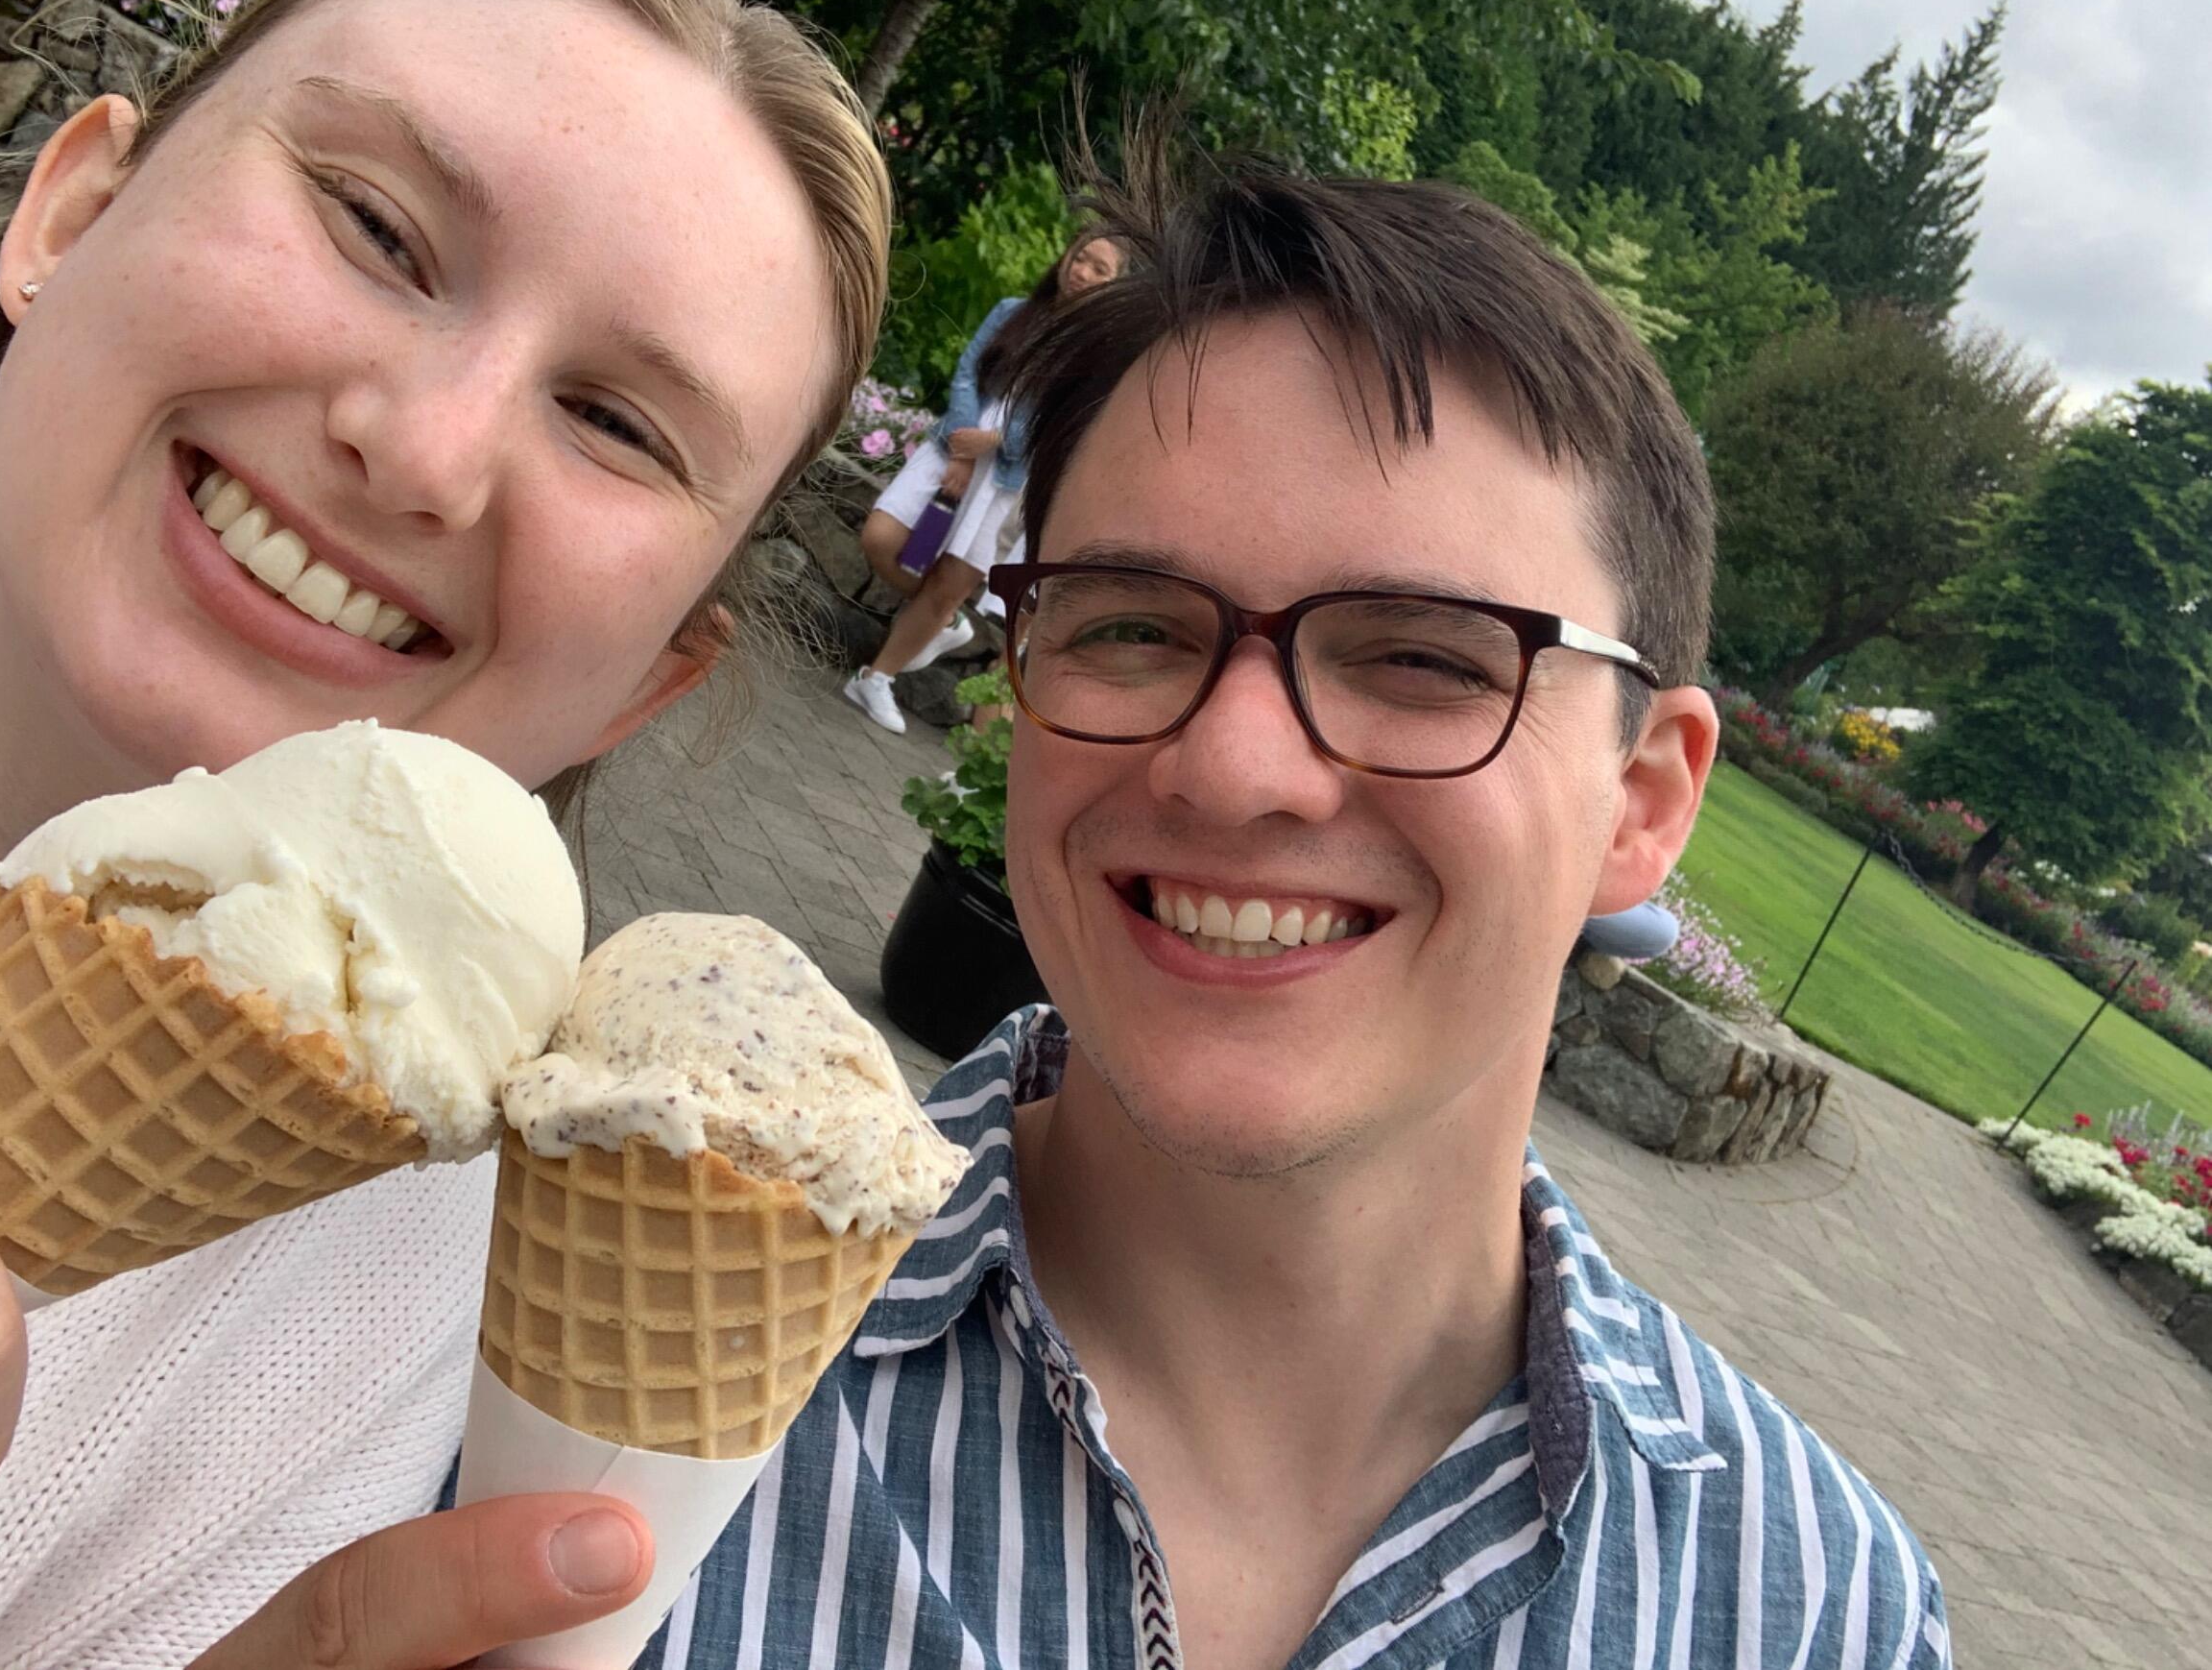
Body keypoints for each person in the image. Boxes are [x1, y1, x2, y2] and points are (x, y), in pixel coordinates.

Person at [638, 154, 1951, 1664]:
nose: (1234, 763)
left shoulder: (1820, 1616)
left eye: (1426, 658)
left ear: (1643, 800)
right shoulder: (582, 1333)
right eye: (1132, 623)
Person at [0, 0, 890, 1666]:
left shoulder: (395, 1311)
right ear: (73, 210)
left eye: (616, 424)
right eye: (378, 229)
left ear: (651, 682)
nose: (427, 450)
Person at [842, 230, 1124, 733]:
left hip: (1008, 476)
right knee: (882, 538)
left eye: (1100, 269)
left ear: (1115, 286)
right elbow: (969, 372)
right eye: (1081, 258)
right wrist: (963, 441)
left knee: (948, 585)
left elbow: (1055, 420)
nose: (1082, 272)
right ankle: (944, 623)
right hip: (954, 448)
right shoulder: (1014, 311)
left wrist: (993, 444)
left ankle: (875, 677)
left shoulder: (1094, 357)